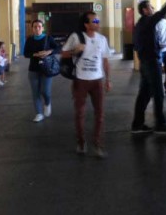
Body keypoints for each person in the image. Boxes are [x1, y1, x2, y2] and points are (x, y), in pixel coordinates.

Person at [62, 12, 111, 158]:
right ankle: (81, 142)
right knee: (80, 113)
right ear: (86, 24)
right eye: (94, 20)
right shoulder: (76, 37)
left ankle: (98, 144)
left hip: (97, 81)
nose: (98, 22)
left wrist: (108, 80)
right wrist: (75, 51)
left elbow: (105, 61)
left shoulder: (102, 39)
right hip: (80, 80)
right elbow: (63, 54)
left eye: (97, 20)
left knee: (100, 114)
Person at [131, 0, 166, 134]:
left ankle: (137, 124)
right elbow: (162, 12)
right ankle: (160, 125)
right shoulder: (148, 21)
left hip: (144, 62)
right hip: (151, 62)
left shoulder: (139, 24)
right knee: (158, 92)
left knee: (144, 93)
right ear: (145, 10)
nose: (153, 9)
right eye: (150, 7)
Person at [23, 20, 61, 123]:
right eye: (35, 27)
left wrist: (49, 52)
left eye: (39, 26)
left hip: (47, 68)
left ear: (42, 28)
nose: (37, 28)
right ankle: (39, 113)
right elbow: (26, 53)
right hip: (33, 69)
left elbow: (58, 48)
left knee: (45, 91)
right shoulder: (29, 40)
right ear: (32, 28)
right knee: (35, 93)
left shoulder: (48, 38)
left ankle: (47, 102)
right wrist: (35, 54)